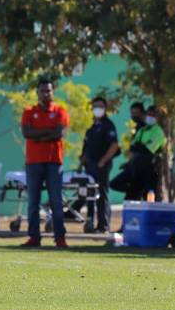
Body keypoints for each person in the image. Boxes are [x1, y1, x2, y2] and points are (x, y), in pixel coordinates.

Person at [20, 78, 70, 248]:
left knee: (56, 201)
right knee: (33, 202)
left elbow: (59, 133)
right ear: (37, 92)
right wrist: (48, 133)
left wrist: (38, 135)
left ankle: (60, 238)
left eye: (48, 90)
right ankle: (34, 237)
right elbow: (27, 132)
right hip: (33, 162)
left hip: (54, 163)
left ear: (53, 92)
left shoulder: (60, 111)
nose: (45, 94)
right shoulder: (28, 111)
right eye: (42, 91)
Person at [80, 96, 119, 233]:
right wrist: (83, 160)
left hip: (101, 166)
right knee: (89, 194)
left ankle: (103, 226)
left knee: (102, 195)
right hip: (89, 166)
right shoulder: (91, 128)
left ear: (105, 108)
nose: (97, 109)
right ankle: (90, 222)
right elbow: (86, 147)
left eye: (100, 106)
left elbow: (114, 145)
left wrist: (102, 161)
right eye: (95, 106)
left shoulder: (108, 125)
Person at [111, 105, 166, 201]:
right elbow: (133, 148)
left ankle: (140, 192)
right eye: (149, 114)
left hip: (150, 170)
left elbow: (147, 150)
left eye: (153, 115)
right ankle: (136, 191)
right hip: (136, 168)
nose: (150, 117)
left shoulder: (158, 132)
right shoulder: (141, 131)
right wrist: (129, 161)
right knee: (117, 185)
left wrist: (137, 148)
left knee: (151, 200)